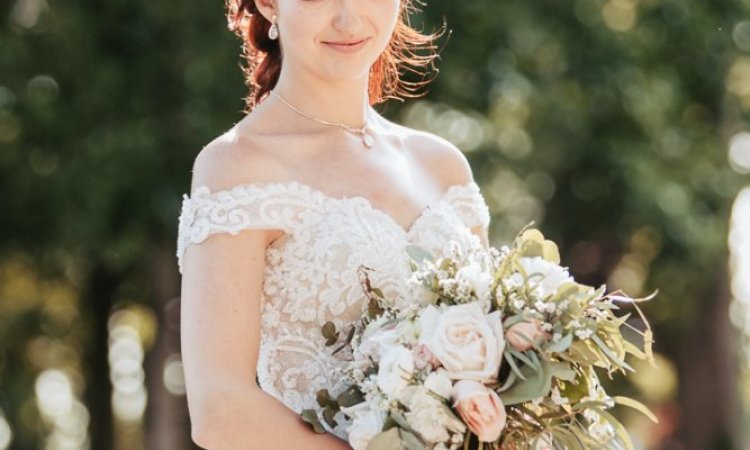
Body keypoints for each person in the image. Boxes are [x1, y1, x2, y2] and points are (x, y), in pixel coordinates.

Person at [175, 0, 492, 448]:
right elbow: (221, 410)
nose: (347, 18)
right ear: (268, 3)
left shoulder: (443, 167)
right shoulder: (237, 166)